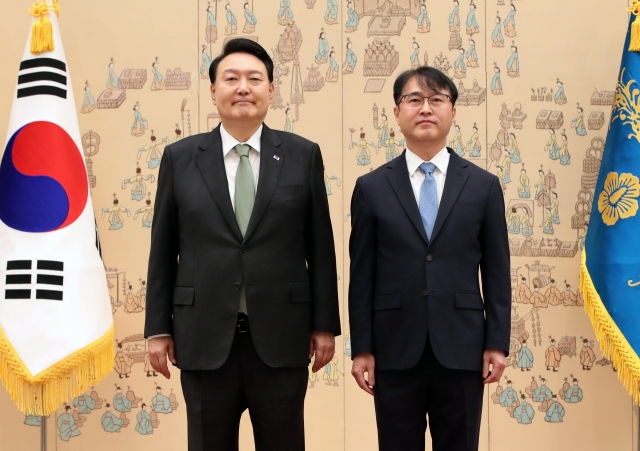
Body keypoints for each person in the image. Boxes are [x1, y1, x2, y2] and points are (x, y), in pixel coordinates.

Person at [145, 38, 340, 451]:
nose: (243, 88)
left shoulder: (302, 156)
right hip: (202, 339)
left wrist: (325, 325)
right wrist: (158, 329)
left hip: (282, 338)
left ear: (271, 89)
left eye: (255, 78)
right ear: (213, 90)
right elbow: (162, 250)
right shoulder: (180, 158)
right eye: (230, 78)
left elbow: (320, 248)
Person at [349, 66, 510, 451]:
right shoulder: (371, 187)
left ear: (452, 112)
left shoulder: (483, 186)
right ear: (396, 112)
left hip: (463, 347)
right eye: (414, 100)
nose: (426, 109)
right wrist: (362, 348)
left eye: (437, 100)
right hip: (394, 348)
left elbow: (498, 271)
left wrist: (497, 342)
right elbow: (362, 275)